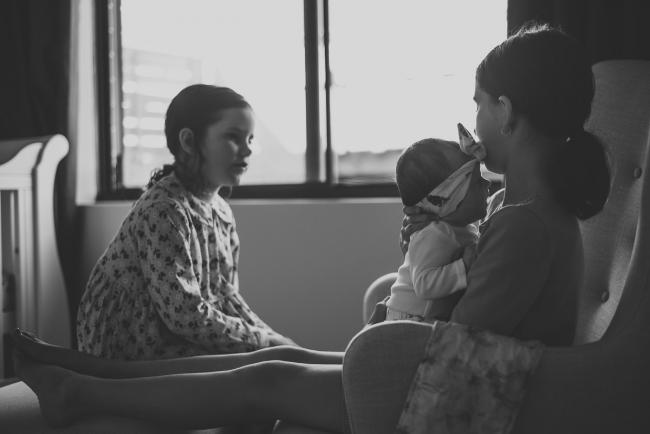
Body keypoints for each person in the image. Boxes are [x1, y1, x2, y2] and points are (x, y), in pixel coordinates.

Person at [12, 23, 610, 433]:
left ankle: (80, 392)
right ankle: (91, 370)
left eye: (479, 104)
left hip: (454, 404)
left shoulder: (527, 225)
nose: (475, 120)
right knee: (289, 354)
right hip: (434, 378)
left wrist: (396, 320)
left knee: (268, 376)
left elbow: (453, 350)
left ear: (506, 111)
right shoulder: (517, 210)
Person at [76, 84, 296, 361]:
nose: (247, 150)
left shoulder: (221, 211)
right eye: (233, 137)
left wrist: (276, 341)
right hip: (133, 341)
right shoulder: (164, 210)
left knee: (284, 357)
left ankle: (344, 364)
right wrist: (264, 343)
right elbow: (184, 315)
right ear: (189, 142)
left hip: (182, 329)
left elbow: (226, 299)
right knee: (266, 370)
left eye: (250, 139)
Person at [386, 137, 489, 321]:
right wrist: (463, 267)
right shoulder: (434, 233)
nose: (487, 184)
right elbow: (424, 285)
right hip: (409, 318)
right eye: (477, 181)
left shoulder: (462, 230)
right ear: (449, 198)